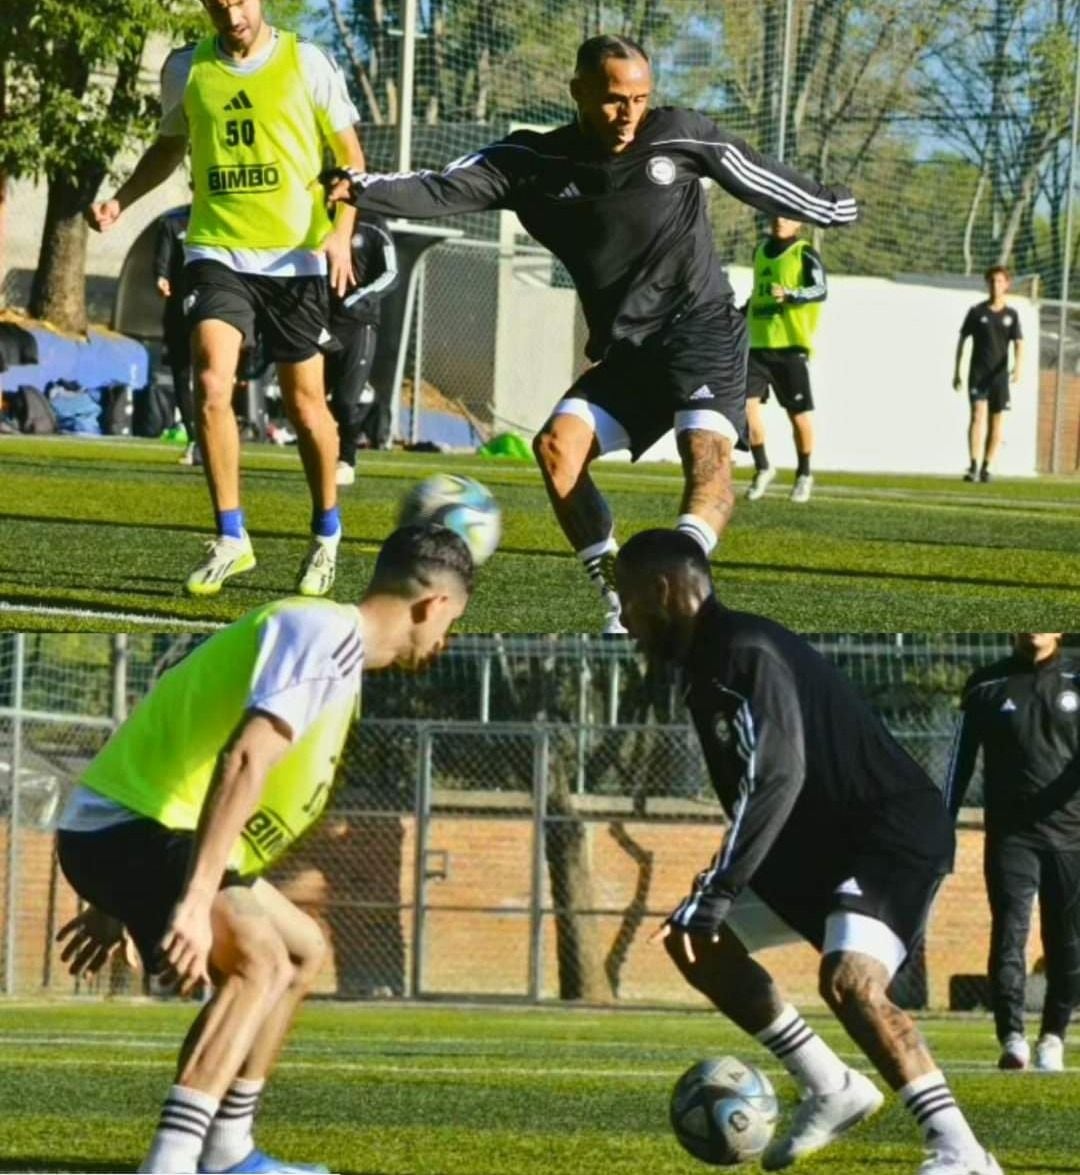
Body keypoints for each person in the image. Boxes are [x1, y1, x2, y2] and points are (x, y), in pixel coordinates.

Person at [322, 33, 856, 633]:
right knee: (556, 449)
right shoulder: (532, 164)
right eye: (612, 99)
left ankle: (680, 583)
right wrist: (362, 187)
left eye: (640, 97)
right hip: (626, 352)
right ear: (576, 91)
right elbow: (443, 187)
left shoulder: (677, 134)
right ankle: (620, 597)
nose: (629, 113)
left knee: (704, 452)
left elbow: (751, 173)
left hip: (699, 330)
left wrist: (833, 205)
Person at [54, 523, 474, 1175]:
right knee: (261, 958)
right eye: (452, 626)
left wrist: (125, 892)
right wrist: (191, 902)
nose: (444, 644)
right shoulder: (324, 635)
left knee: (302, 949)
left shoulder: (329, 645)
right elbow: (245, 758)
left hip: (140, 830)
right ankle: (170, 1162)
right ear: (435, 605)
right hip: (131, 826)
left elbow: (197, 739)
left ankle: (228, 1151)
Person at [613, 528, 1000, 1175]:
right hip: (816, 845)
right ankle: (831, 1085)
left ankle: (960, 1150)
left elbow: (778, 775)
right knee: (692, 940)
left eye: (626, 600)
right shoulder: (703, 669)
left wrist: (719, 888)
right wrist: (710, 897)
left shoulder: (743, 649)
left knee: (851, 980)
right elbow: (764, 793)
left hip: (887, 833)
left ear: (662, 588)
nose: (623, 619)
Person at [87, 0, 365, 599]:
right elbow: (169, 147)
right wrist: (120, 199)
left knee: (305, 406)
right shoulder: (186, 69)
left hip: (296, 256)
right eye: (218, 2)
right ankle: (232, 539)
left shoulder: (307, 62)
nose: (231, 13)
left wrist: (341, 231)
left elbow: (350, 159)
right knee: (212, 383)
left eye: (240, 0)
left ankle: (325, 535)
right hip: (216, 249)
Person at [946, 632, 1080, 1073]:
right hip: (1010, 837)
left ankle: (1053, 1038)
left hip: (1071, 837)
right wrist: (942, 824)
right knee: (1009, 934)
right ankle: (1012, 1039)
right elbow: (960, 761)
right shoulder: (986, 684)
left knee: (1066, 940)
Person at [743, 216, 826, 503]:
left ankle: (804, 473)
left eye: (787, 217)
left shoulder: (804, 253)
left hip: (790, 348)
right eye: (776, 215)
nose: (780, 221)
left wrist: (792, 294)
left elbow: (820, 290)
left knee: (798, 416)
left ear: (799, 224)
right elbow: (758, 293)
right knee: (746, 408)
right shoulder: (761, 251)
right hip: (757, 346)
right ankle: (763, 467)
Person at [325, 211, 398, 486]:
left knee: (345, 400)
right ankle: (323, 452)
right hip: (318, 321)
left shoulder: (373, 224)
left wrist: (359, 298)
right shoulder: (315, 216)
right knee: (309, 398)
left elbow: (392, 273)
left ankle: (346, 459)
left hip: (359, 324)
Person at [952, 266, 1024, 484]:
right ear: (987, 284)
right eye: (992, 281)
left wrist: (1018, 367)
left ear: (1007, 285)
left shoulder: (1011, 315)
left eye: (1000, 281)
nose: (996, 285)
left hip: (999, 376)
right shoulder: (976, 312)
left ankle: (986, 467)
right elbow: (962, 341)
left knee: (996, 422)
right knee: (976, 415)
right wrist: (956, 371)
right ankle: (973, 465)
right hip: (978, 373)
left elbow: (1019, 344)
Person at [153, 203, 200, 465]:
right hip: (179, 312)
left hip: (213, 309)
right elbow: (162, 261)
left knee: (215, 375)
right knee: (182, 374)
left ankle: (215, 438)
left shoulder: (225, 218)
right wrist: (160, 277)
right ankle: (195, 439)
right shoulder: (173, 224)